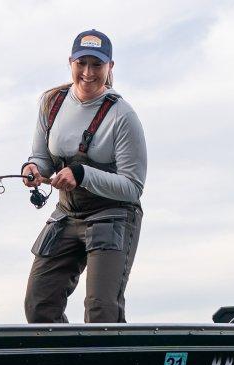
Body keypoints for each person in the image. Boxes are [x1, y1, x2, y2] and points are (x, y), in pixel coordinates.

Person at [21, 29, 147, 323]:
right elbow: (41, 157)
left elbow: (132, 187)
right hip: (67, 213)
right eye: (82, 63)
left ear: (110, 67)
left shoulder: (123, 116)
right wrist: (33, 169)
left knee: (102, 311)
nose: (88, 73)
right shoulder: (51, 102)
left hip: (113, 214)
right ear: (70, 63)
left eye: (97, 65)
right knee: (39, 303)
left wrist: (82, 174)